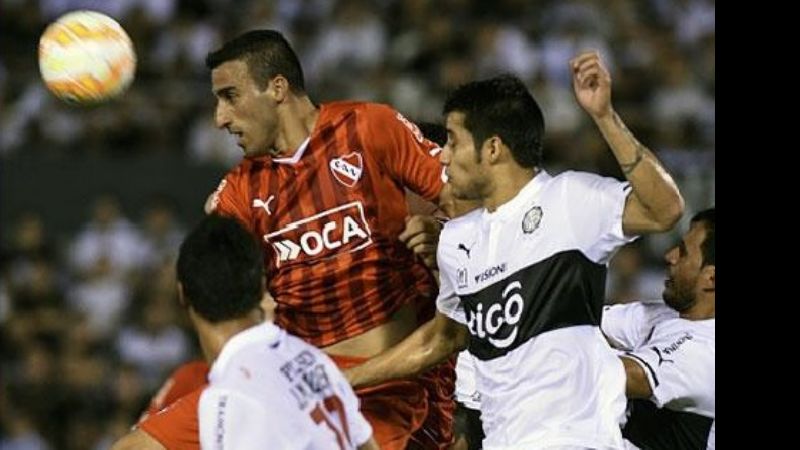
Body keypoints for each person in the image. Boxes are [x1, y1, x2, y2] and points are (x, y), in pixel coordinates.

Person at [346, 51, 685, 449]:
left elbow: (664, 211)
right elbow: (442, 338)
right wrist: (344, 378)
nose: (442, 155)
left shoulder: (568, 200)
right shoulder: (457, 241)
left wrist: (604, 116)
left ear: (492, 149)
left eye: (453, 141)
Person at [202, 29, 454, 449]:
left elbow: (465, 197)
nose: (220, 118)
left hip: (384, 396)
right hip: (299, 399)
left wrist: (444, 230)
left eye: (230, 96)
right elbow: (214, 296)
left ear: (277, 88)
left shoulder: (369, 127)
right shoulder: (240, 191)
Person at [112, 215, 378, 450]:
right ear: (261, 285)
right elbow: (365, 443)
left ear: (182, 293)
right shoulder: (311, 360)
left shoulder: (230, 396)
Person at [602, 208, 715, 450]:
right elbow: (581, 321)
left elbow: (621, 377)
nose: (669, 255)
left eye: (683, 253)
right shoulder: (666, 314)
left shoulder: (707, 351)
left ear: (711, 278)